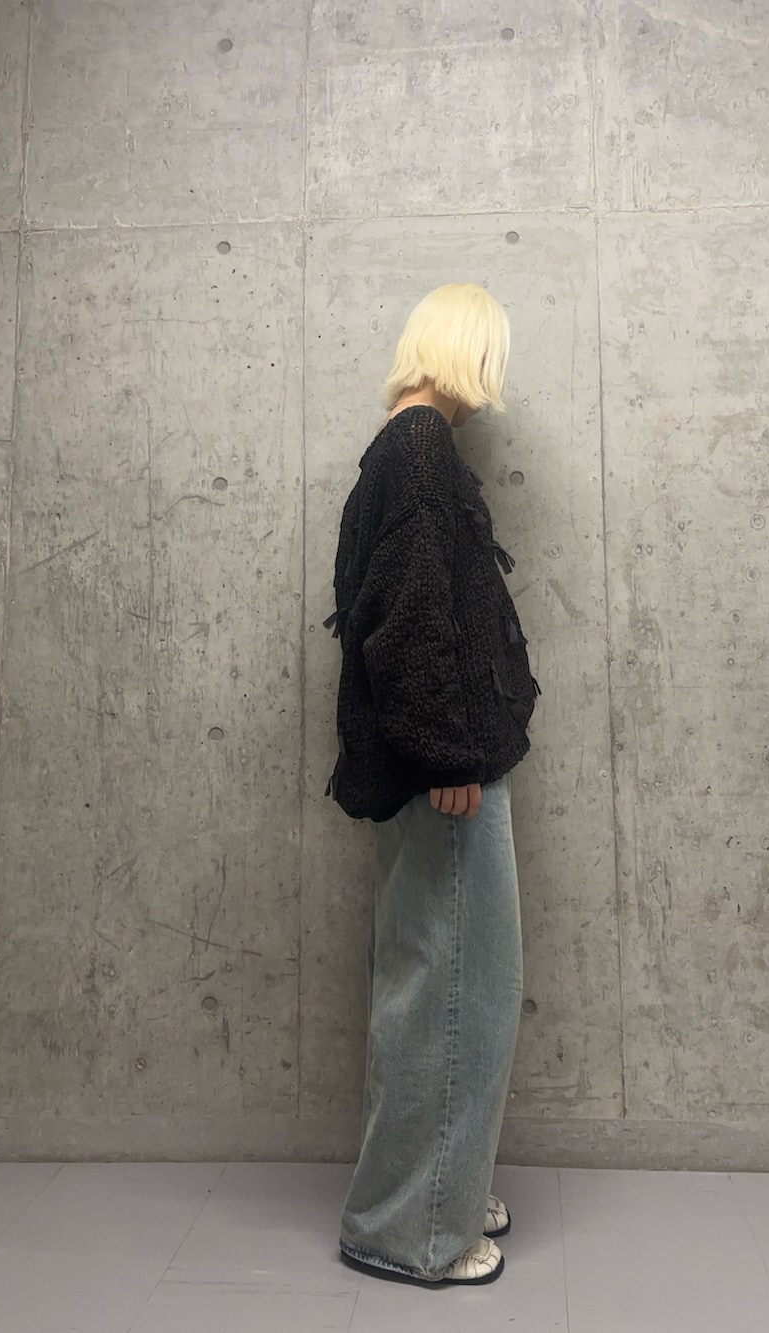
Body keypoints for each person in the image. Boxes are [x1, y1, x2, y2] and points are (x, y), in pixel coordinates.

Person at [323, 282, 540, 1287]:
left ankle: (438, 1186)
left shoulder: (400, 447)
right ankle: (408, 1230)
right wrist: (448, 755)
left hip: (438, 765)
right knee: (455, 992)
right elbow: (407, 618)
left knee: (441, 984)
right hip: (445, 772)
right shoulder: (418, 451)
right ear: (468, 352)